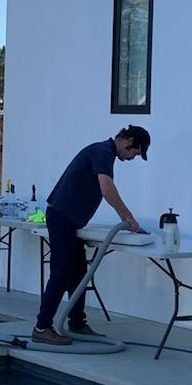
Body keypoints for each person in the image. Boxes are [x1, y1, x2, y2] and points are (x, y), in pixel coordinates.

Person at [32, 126, 151, 346]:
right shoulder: (102, 151)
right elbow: (107, 189)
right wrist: (128, 218)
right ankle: (42, 327)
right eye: (134, 153)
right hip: (61, 217)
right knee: (61, 272)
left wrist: (127, 220)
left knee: (78, 273)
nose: (132, 158)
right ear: (128, 141)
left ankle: (77, 323)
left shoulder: (104, 153)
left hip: (70, 220)